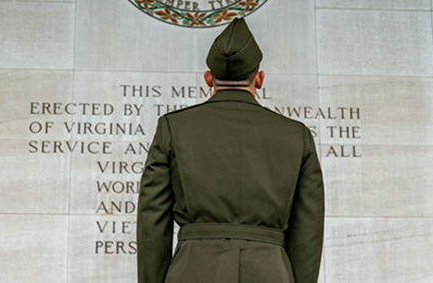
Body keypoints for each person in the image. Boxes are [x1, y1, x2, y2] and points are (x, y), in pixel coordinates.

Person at [136, 18, 324, 283]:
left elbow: (152, 220)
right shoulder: (297, 136)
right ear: (259, 79)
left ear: (208, 78)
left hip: (192, 272)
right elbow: (308, 233)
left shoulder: (173, 128)